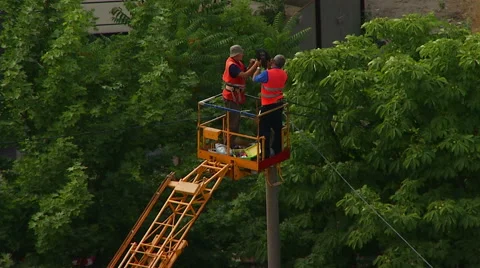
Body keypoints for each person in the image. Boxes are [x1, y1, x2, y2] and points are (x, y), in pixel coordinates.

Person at [222, 45, 260, 148]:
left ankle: (231, 143)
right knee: (233, 123)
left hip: (236, 96)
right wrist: (256, 65)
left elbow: (245, 70)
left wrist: (251, 64)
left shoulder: (237, 63)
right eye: (241, 53)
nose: (243, 55)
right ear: (237, 54)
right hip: (231, 96)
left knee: (236, 120)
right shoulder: (232, 65)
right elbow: (245, 75)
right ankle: (228, 145)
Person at [253, 54, 288, 158]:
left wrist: (258, 67)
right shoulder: (284, 74)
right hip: (278, 105)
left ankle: (265, 153)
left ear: (273, 61)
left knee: (264, 130)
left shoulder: (267, 73)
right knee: (278, 129)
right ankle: (277, 150)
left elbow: (254, 79)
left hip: (267, 106)